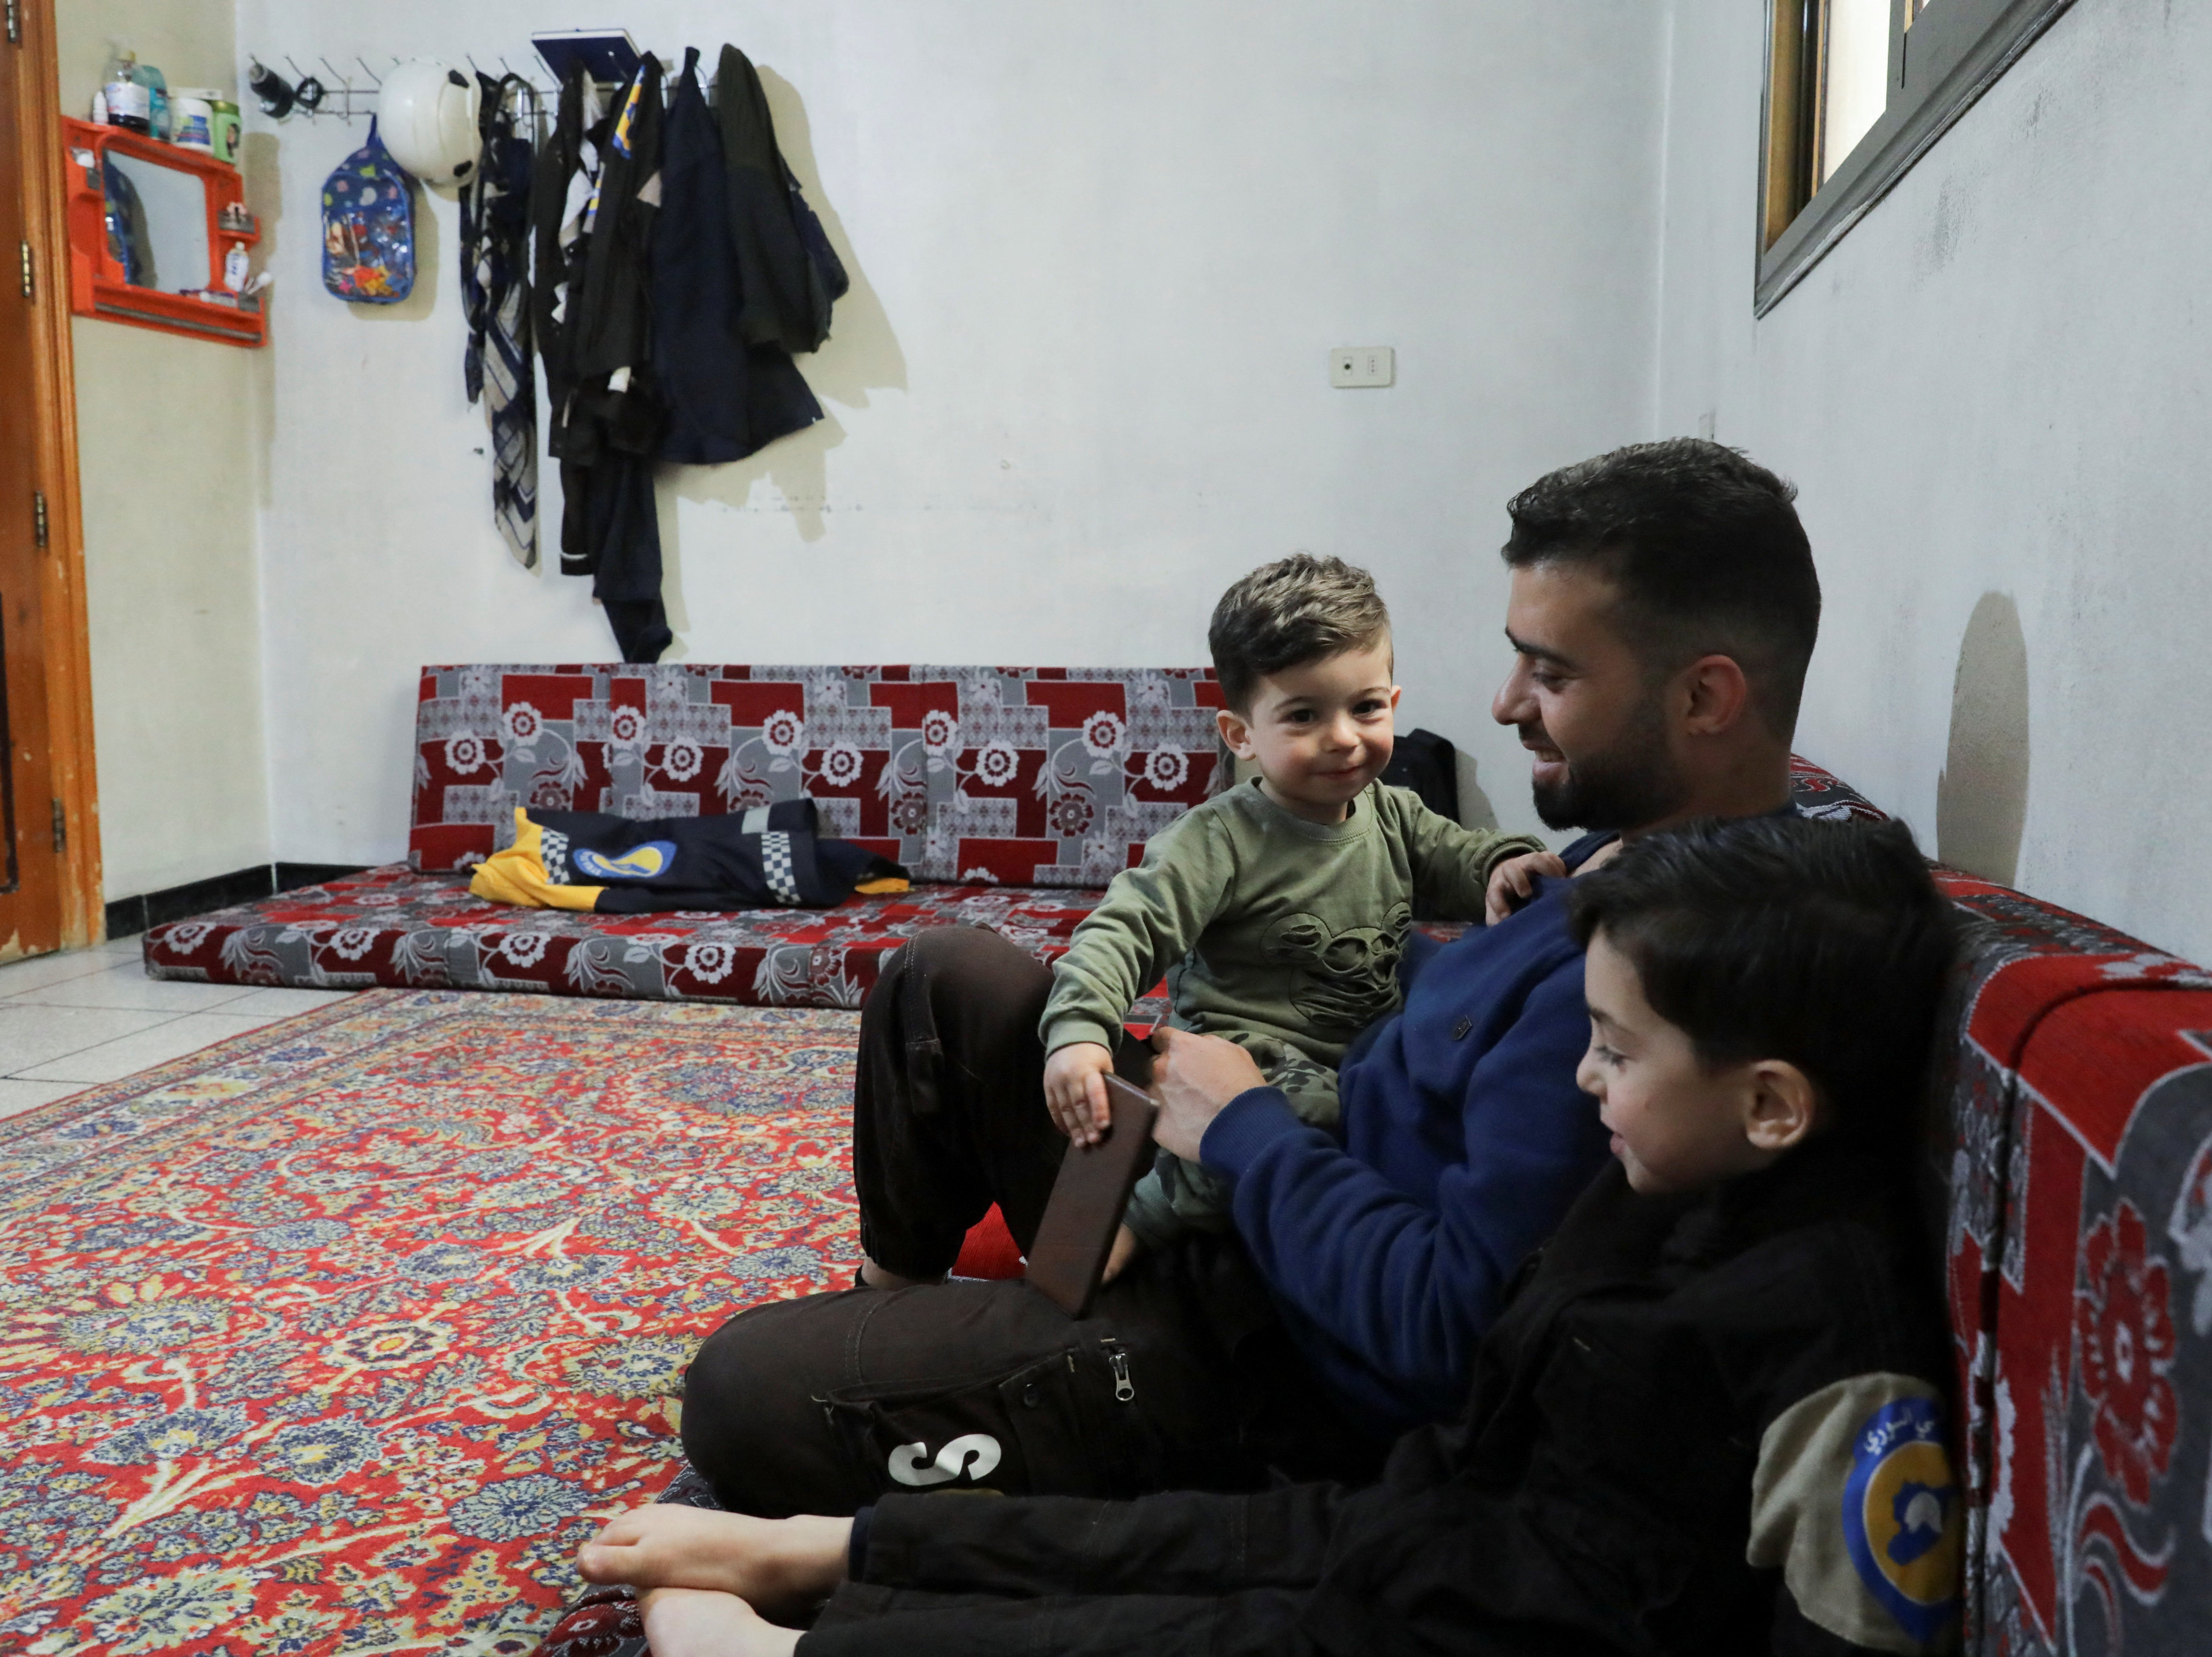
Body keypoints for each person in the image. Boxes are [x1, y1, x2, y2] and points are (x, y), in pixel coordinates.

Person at [677, 438, 1828, 1514]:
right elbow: (1156, 931)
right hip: (1244, 1173)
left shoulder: (1649, 981)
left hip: (1263, 1333)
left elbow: (1450, 1339)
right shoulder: (1591, 859)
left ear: (1702, 696)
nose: (1502, 703)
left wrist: (1241, 1127)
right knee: (947, 974)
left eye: (1550, 671)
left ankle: (1052, 1311)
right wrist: (1141, 1068)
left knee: (739, 1396)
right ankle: (923, 1287)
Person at [582, 816, 1965, 1657]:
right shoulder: (1656, 1171)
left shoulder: (1824, 1336)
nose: (1585, 1076)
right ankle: (837, 1550)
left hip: (1456, 1584)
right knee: (1223, 1548)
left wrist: (1247, 1137)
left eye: (1612, 1047)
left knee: (1202, 1624)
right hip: (1431, 1513)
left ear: (1771, 1102)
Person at [1040, 553, 1545, 1275]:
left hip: (1361, 1060)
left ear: (1394, 702)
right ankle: (1144, 1213)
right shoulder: (1218, 840)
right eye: (1305, 715)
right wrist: (1078, 1031)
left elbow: (1459, 856)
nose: (1343, 736)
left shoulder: (1394, 814)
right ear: (1241, 734)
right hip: (1246, 1057)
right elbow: (1123, 929)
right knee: (1300, 1121)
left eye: (1365, 707)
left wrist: (1507, 864)